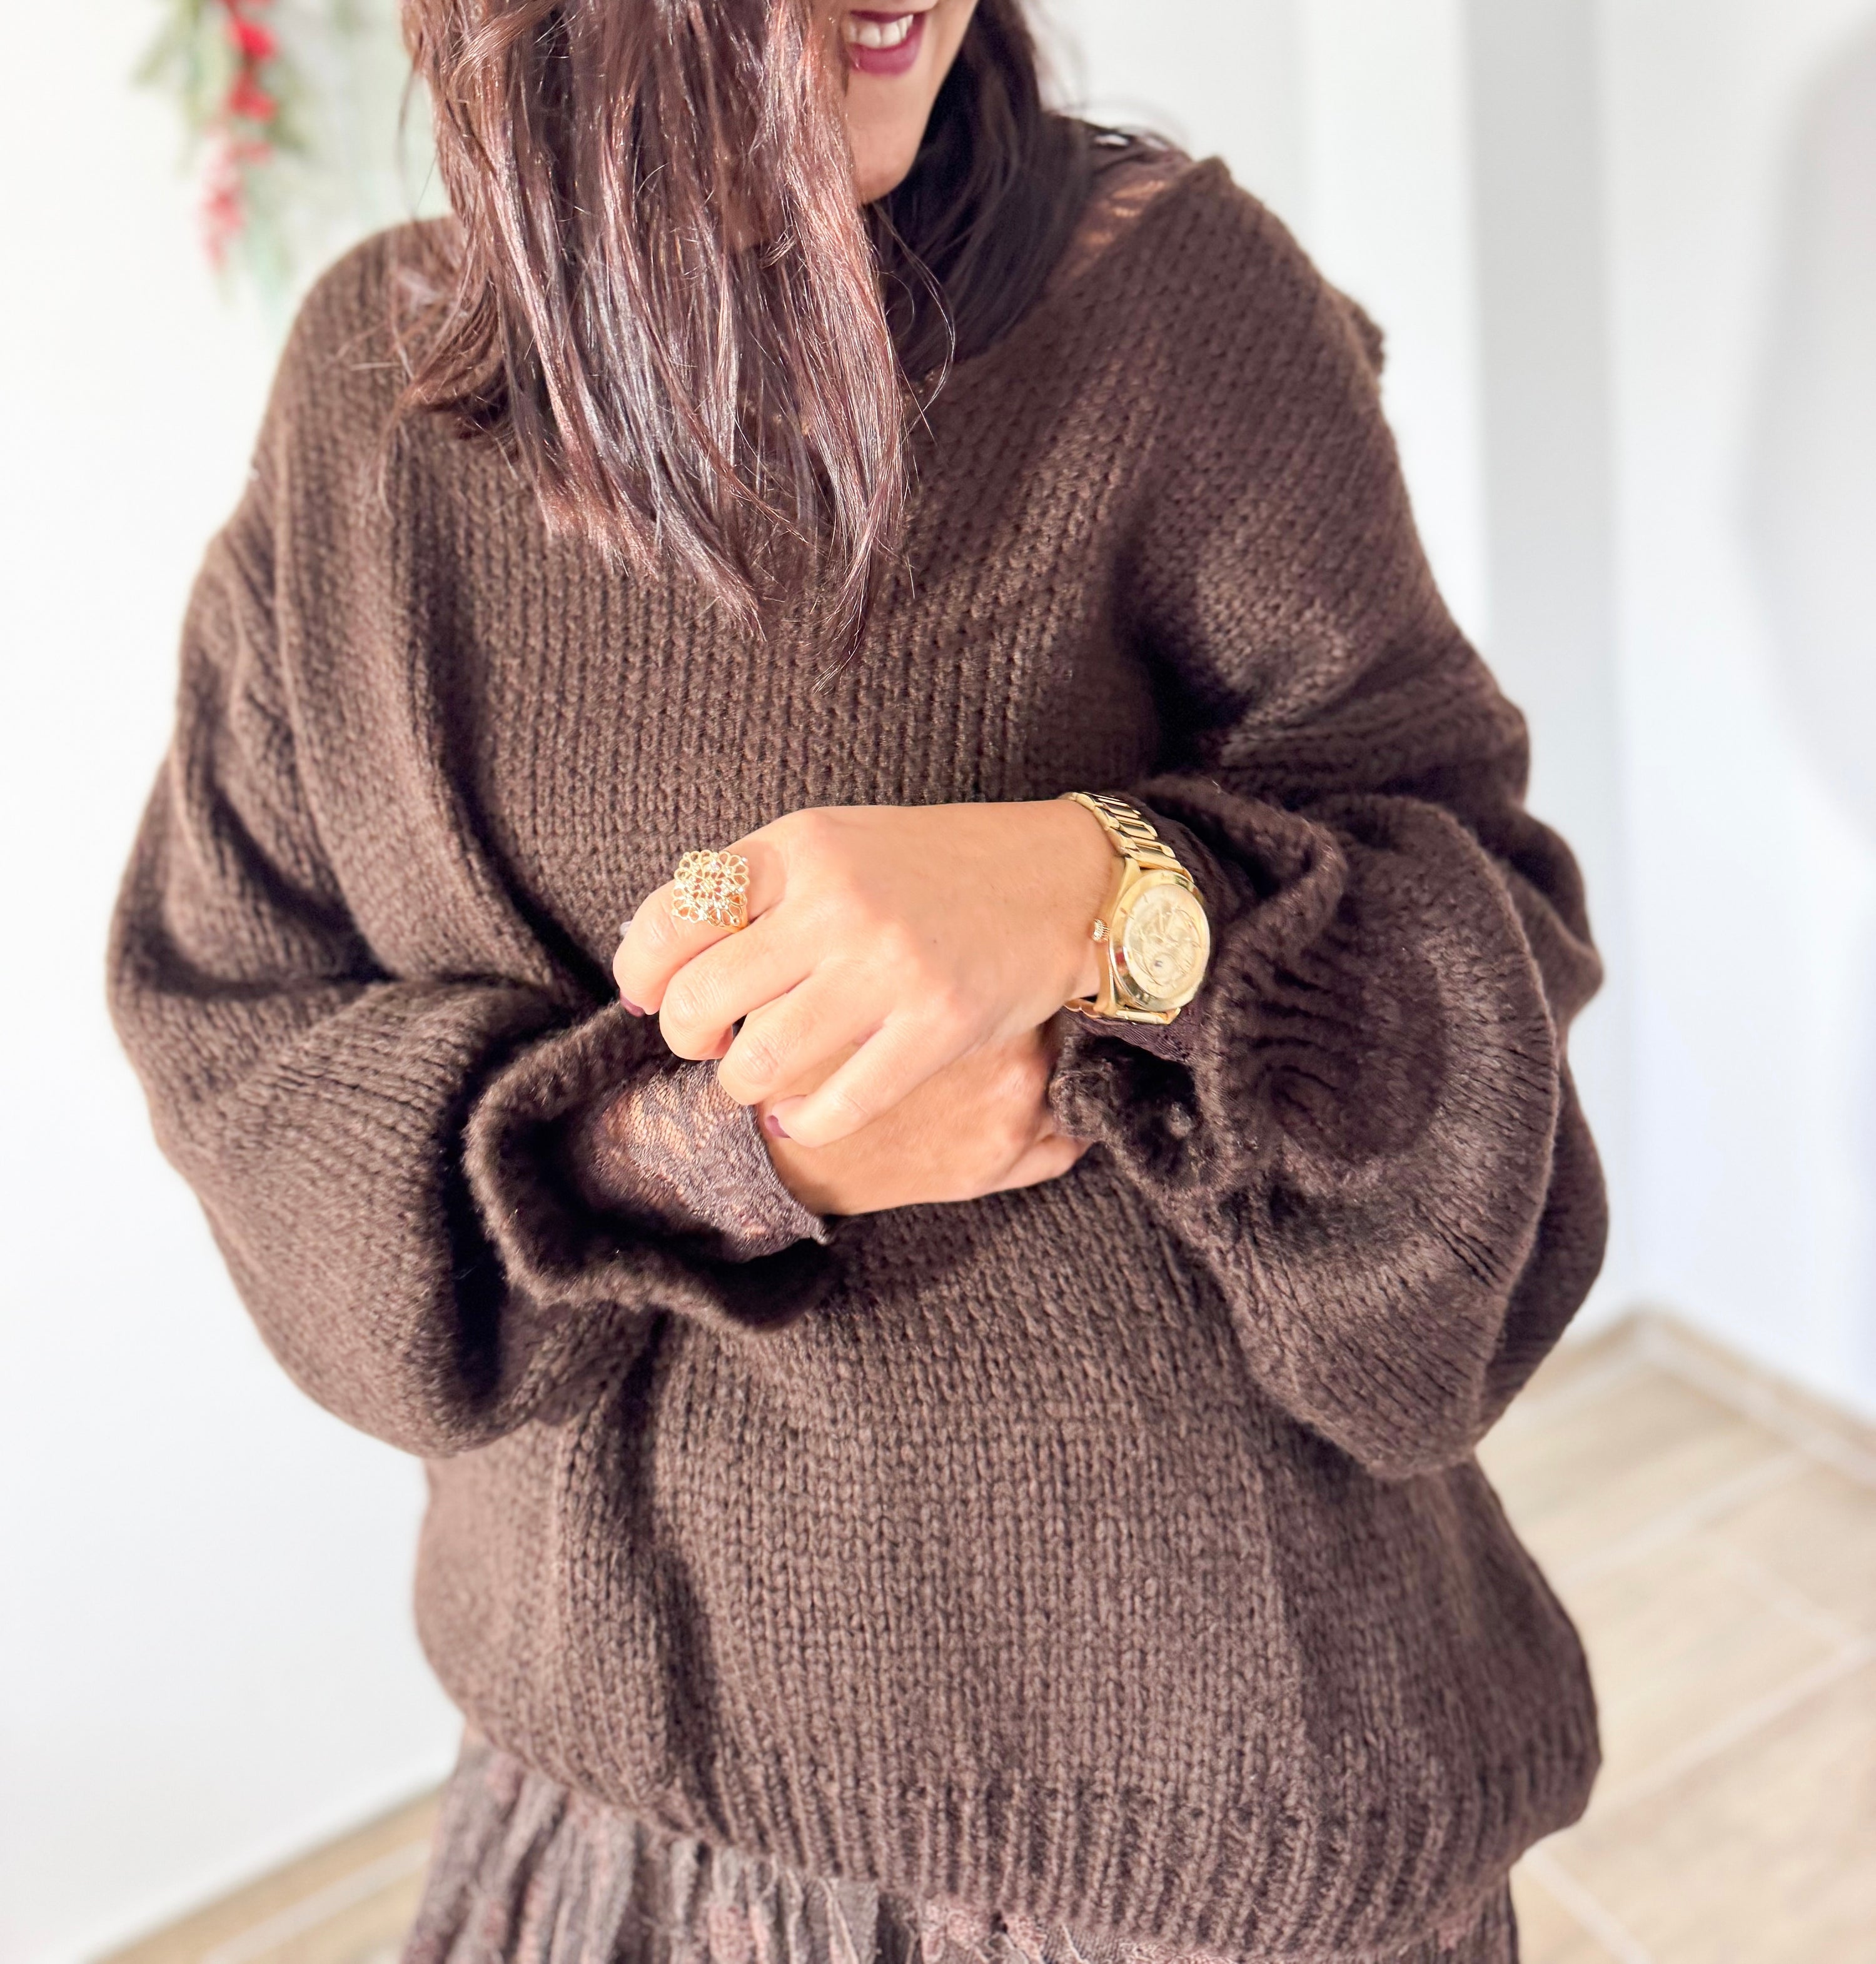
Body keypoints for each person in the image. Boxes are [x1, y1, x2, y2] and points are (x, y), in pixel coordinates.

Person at [108, 3, 1608, 1960]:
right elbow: (229, 1035)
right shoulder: (359, 408)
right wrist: (696, 1157)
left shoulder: (1170, 309)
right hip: (607, 1800)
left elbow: (1485, 965)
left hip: (1197, 1806)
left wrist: (1101, 892)